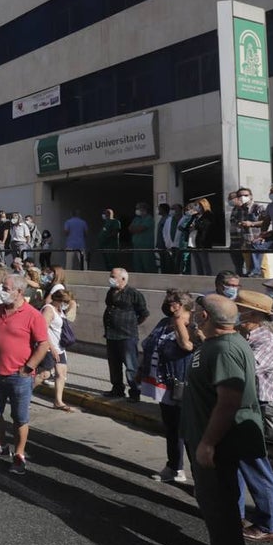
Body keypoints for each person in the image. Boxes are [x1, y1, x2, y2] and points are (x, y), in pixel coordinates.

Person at [181, 294, 265, 545]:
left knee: (221, 503)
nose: (192, 314)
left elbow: (229, 402)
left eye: (197, 311)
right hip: (203, 436)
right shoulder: (214, 344)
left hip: (215, 442)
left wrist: (208, 443)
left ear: (204, 315)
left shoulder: (227, 349)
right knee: (212, 499)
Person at [0, 274, 50, 474]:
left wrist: (29, 368)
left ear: (19, 292)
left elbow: (43, 344)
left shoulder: (33, 315)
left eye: (6, 288)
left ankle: (19, 454)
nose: (2, 291)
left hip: (20, 376)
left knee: (20, 418)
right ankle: (1, 443)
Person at [233, 290, 273, 543]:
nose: (235, 311)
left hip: (258, 408)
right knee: (238, 464)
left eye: (239, 308)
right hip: (242, 405)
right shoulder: (245, 337)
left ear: (253, 314)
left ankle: (267, 524)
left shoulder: (268, 343)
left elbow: (242, 368)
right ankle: (235, 513)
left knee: (255, 465)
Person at [137, 290, 195, 482]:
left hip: (181, 384)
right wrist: (141, 370)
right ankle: (174, 468)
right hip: (162, 383)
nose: (169, 304)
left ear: (182, 304)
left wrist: (179, 322)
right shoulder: (164, 322)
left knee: (187, 432)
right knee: (171, 428)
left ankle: (201, 480)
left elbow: (186, 346)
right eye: (168, 300)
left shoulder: (193, 324)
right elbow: (149, 345)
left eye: (173, 301)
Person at [101, 267, 148, 401]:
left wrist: (131, 323)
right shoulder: (111, 292)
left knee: (131, 366)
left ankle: (135, 392)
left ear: (123, 279)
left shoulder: (133, 293)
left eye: (113, 276)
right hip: (111, 335)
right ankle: (117, 389)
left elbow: (144, 313)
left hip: (127, 336)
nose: (110, 278)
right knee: (114, 364)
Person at [38, 289, 76, 411]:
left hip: (60, 348)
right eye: (64, 301)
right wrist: (52, 348)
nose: (65, 304)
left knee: (61, 373)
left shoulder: (60, 310)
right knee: (45, 374)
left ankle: (58, 401)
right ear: (57, 300)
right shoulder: (49, 310)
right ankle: (23, 394)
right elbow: (42, 330)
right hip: (49, 347)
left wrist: (73, 305)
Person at [129, 202, 156, 273]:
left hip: (146, 246)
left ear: (144, 209)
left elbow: (141, 228)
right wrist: (136, 229)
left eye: (138, 208)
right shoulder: (136, 219)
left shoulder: (149, 218)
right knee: (137, 266)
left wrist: (136, 229)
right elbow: (130, 228)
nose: (137, 210)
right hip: (136, 246)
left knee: (148, 266)